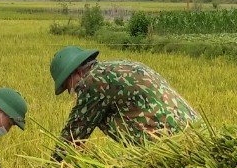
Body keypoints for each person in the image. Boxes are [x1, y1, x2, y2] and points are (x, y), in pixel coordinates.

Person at [48, 45, 198, 157]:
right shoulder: (117, 67)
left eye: (69, 85)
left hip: (168, 143)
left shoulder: (93, 81)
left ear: (77, 72)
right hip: (194, 132)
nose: (73, 91)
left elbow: (74, 134)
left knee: (99, 118)